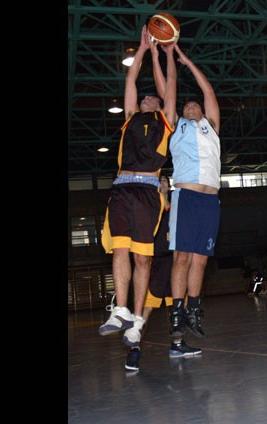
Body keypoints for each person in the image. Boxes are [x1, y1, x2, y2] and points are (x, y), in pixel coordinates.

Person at [98, 26, 178, 370]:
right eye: (144, 98)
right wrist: (143, 49)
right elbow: (130, 80)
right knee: (119, 250)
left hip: (147, 190)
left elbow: (169, 87)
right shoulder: (130, 118)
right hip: (121, 187)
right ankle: (120, 310)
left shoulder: (166, 120)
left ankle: (138, 320)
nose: (147, 99)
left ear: (158, 105)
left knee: (143, 259)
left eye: (152, 98)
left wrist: (164, 55)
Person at [154, 43, 221, 339]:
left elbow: (209, 92)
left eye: (195, 105)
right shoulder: (175, 127)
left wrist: (187, 61)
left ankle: (193, 309)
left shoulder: (211, 126)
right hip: (186, 197)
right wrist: (168, 56)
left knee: (201, 259)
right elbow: (167, 91)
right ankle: (176, 313)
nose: (190, 107)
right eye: (186, 106)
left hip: (210, 200)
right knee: (181, 256)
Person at [125, 175, 201, 371]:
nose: (163, 183)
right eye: (159, 180)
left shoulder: (176, 207)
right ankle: (134, 350)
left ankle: (177, 344)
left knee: (178, 307)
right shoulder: (149, 207)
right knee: (145, 309)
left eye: (165, 180)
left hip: (175, 264)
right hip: (155, 264)